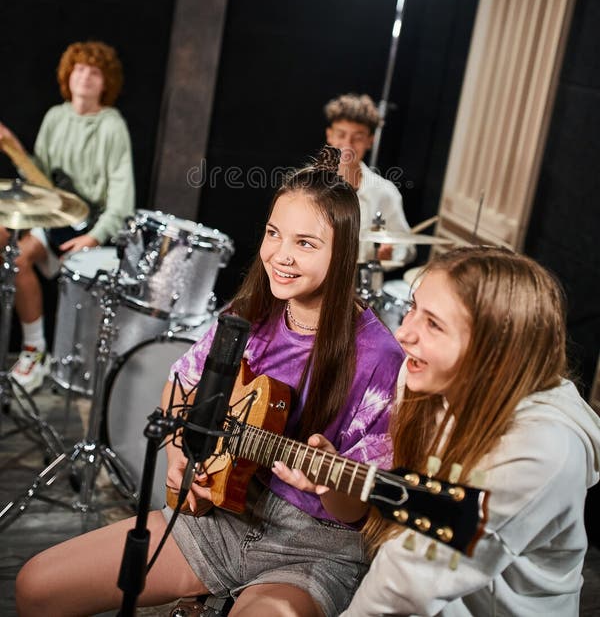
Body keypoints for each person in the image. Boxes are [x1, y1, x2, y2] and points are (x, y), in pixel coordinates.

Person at [15, 146, 404, 617]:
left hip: (314, 547)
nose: (280, 256)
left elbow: (357, 512)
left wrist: (325, 481)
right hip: (224, 516)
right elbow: (181, 388)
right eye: (273, 234)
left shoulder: (381, 358)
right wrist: (181, 456)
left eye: (305, 243)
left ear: (342, 252)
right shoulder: (248, 315)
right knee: (36, 587)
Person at [315, 245, 599, 616]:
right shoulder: (425, 380)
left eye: (433, 324)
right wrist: (340, 476)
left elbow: (406, 581)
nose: (403, 334)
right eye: (413, 308)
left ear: (495, 352)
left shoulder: (542, 452)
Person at [0, 40, 135, 394]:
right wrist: (14, 148)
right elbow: (41, 185)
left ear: (106, 83)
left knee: (27, 260)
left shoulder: (112, 126)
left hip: (89, 228)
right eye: (79, 69)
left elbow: (122, 201)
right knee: (6, 244)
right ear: (67, 74)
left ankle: (50, 359)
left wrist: (94, 237)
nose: (85, 77)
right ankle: (34, 350)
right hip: (54, 218)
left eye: (94, 72)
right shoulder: (55, 117)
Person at [324, 92, 416, 267]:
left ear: (370, 141)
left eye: (357, 137)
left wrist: (392, 252)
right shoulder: (307, 185)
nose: (348, 144)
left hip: (360, 282)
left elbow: (408, 247)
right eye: (341, 134)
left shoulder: (385, 192)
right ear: (330, 135)